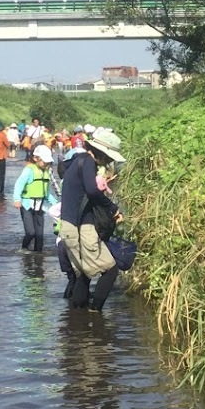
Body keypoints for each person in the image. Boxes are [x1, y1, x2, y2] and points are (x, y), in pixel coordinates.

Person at [57, 128, 124, 309]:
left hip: (68, 226)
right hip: (81, 228)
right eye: (109, 157)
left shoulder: (76, 161)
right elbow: (92, 191)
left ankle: (77, 320)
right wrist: (112, 207)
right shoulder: (87, 162)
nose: (109, 161)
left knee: (84, 275)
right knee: (110, 270)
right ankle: (96, 313)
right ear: (101, 152)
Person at [12, 144, 55, 251]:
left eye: (48, 162)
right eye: (44, 161)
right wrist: (16, 199)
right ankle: (24, 249)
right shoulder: (29, 170)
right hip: (27, 206)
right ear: (36, 159)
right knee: (31, 232)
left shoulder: (46, 172)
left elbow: (46, 192)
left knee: (39, 236)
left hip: (40, 207)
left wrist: (56, 203)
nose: (47, 164)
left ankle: (38, 257)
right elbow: (19, 184)